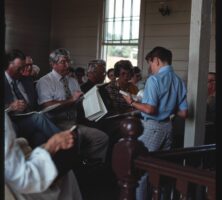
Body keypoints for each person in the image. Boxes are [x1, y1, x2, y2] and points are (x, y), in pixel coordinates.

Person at [121, 46, 188, 199]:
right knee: (161, 170)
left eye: (150, 63)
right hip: (168, 128)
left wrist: (131, 102)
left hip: (153, 128)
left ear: (156, 61)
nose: (150, 68)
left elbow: (150, 110)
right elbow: (184, 113)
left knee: (140, 169)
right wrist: (167, 106)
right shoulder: (178, 80)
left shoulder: (154, 79)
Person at [36, 48, 109, 164]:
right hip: (56, 124)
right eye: (63, 62)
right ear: (52, 64)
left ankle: (89, 165)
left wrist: (87, 100)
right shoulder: (45, 81)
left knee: (101, 138)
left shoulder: (72, 81)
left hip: (74, 123)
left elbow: (79, 102)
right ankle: (78, 166)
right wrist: (71, 100)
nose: (67, 65)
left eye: (69, 61)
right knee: (77, 136)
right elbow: (46, 106)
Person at [5, 112, 82, 200]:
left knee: (39, 136)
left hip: (18, 155)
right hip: (18, 187)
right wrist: (53, 145)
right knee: (65, 171)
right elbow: (23, 179)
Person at [4, 49, 61, 148]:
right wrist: (10, 106)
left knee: (40, 136)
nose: (22, 71)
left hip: (26, 121)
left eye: (23, 67)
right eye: (19, 68)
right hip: (11, 122)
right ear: (8, 65)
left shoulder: (25, 79)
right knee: (37, 118)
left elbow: (35, 68)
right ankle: (64, 139)